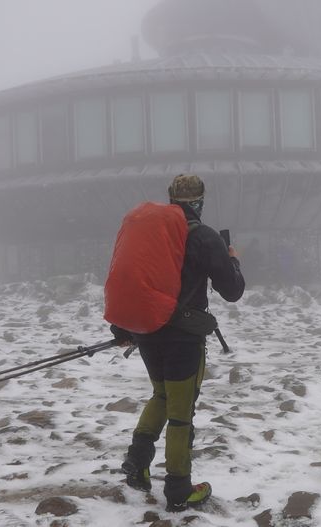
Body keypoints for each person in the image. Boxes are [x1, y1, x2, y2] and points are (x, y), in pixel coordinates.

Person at [109, 174, 245, 511]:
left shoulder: (152, 233)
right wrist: (232, 260)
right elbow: (232, 291)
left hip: (147, 329)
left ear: (172, 198)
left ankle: (137, 462)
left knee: (162, 394)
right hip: (183, 336)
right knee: (182, 411)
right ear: (200, 201)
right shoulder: (204, 236)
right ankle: (179, 489)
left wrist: (123, 327)